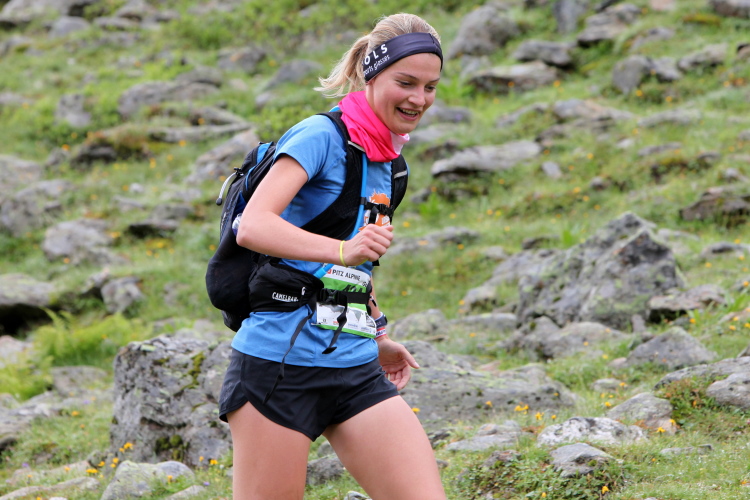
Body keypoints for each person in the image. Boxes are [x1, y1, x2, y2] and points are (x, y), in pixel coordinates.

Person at [218, 12, 447, 500]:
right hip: (278, 369)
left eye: (430, 87)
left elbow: (355, 265)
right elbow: (253, 226)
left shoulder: (390, 163)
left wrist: (378, 333)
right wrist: (343, 249)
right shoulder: (319, 137)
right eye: (406, 83)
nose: (419, 99)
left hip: (355, 366)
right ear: (371, 74)